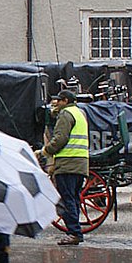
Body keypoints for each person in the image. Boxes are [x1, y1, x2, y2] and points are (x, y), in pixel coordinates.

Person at [40, 88, 90, 246]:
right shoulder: (80, 113)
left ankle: (74, 233)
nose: (56, 103)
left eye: (59, 100)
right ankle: (75, 231)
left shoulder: (66, 114)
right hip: (80, 162)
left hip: (67, 163)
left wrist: (45, 151)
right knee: (74, 198)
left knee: (66, 198)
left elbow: (60, 138)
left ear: (65, 102)